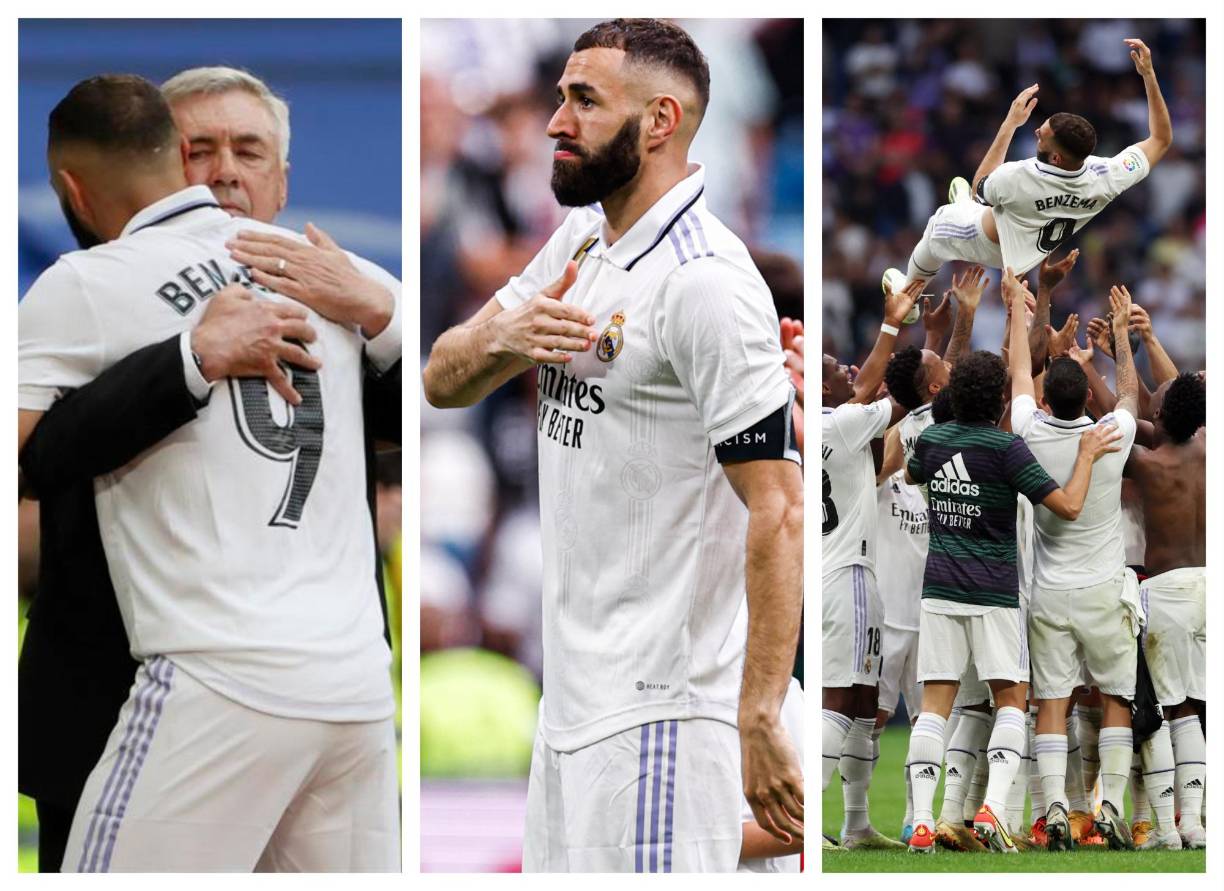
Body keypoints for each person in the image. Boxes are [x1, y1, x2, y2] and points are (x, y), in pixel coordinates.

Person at [422, 19, 802, 872]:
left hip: (661, 715)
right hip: (569, 709)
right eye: (561, 97)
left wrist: (761, 714)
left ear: (659, 121)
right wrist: (509, 335)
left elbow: (777, 507)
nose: (556, 121)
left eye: (583, 101)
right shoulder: (582, 242)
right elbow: (442, 376)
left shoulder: (706, 283)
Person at [17, 66, 402, 872]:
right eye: (202, 148)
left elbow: (415, 424)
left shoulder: (350, 289)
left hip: (215, 681)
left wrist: (383, 316)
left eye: (248, 150)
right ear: (166, 160)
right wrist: (189, 358)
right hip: (324, 688)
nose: (225, 170)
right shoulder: (334, 279)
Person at [902, 269, 1123, 853]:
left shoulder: (932, 442)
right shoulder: (1006, 449)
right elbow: (1070, 505)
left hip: (939, 587)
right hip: (995, 590)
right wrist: (1083, 453)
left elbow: (910, 474)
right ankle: (992, 813)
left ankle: (922, 823)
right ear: (1001, 400)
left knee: (934, 708)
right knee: (1012, 700)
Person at [1011, 278, 1141, 851]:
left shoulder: (1028, 433)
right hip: (1103, 590)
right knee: (1115, 697)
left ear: (1046, 401)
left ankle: (1058, 811)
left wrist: (1021, 312)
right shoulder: (1112, 435)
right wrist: (1120, 340)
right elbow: (1133, 396)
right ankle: (1109, 807)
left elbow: (1018, 370)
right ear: (1088, 399)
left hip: (1049, 592)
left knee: (1053, 703)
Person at [886, 38, 1171, 289]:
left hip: (984, 240)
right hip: (1027, 252)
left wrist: (1009, 124)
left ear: (1056, 157)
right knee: (983, 201)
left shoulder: (1020, 176)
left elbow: (980, 186)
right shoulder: (1108, 176)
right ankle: (964, 207)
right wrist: (1149, 75)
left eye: (1042, 136)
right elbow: (1160, 139)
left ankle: (908, 293)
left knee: (938, 225)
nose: (1036, 132)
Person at [820, 277, 921, 851]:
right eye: (836, 365)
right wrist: (894, 325)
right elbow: (896, 397)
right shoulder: (840, 422)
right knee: (841, 701)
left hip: (849, 577)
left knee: (861, 703)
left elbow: (869, 399)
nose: (846, 367)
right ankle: (810, 821)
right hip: (849, 577)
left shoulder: (832, 431)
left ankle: (855, 824)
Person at [1126, 373, 1206, 850]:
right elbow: (1149, 415)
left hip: (1168, 591)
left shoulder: (1149, 464)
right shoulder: (1209, 450)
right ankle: (1196, 822)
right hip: (1208, 585)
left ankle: (1167, 829)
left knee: (1165, 710)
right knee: (1198, 707)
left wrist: (1118, 347)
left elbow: (1118, 418)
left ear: (1160, 416)